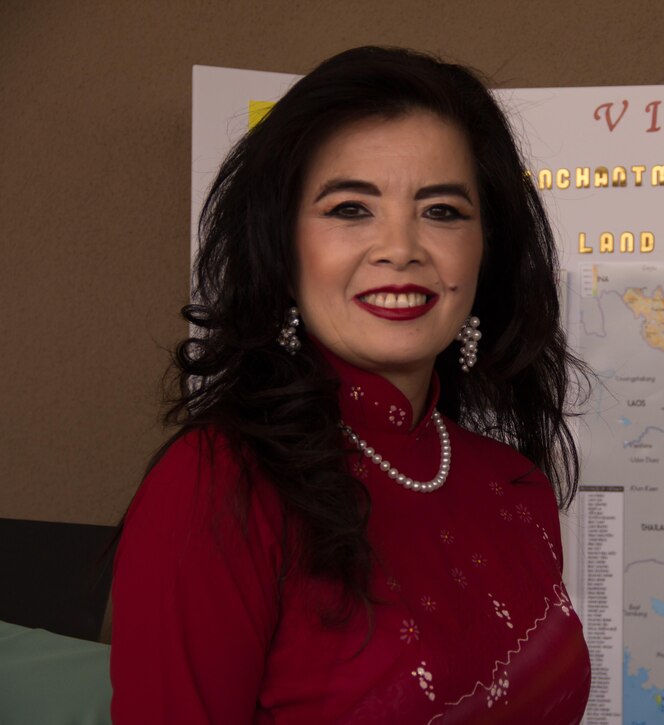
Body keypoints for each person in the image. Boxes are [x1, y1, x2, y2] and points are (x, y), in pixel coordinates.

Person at [109, 46, 591, 723]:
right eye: (349, 209)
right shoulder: (216, 488)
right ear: (281, 245)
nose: (401, 247)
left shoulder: (517, 489)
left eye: (443, 211)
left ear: (488, 247)